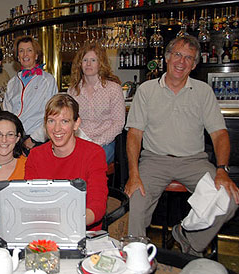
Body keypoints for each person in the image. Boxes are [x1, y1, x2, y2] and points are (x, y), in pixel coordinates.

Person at [125, 35, 239, 256]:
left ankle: (188, 239)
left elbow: (219, 134)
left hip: (194, 161)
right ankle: (135, 256)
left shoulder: (203, 91)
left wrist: (222, 170)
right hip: (154, 159)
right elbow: (134, 135)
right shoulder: (147, 90)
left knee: (229, 199)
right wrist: (133, 173)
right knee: (135, 199)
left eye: (189, 58)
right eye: (177, 54)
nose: (181, 61)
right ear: (167, 58)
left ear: (194, 65)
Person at [25, 93, 108, 230]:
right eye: (51, 121)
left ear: (76, 124)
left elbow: (97, 205)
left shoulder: (94, 154)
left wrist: (65, 221)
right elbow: (31, 201)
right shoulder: (35, 155)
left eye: (64, 121)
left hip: (83, 230)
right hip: (45, 230)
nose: (57, 129)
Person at [68, 42, 125, 164]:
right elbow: (69, 121)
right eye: (85, 60)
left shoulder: (113, 88)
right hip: (79, 140)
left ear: (100, 63)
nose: (88, 64)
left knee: (90, 163)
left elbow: (118, 123)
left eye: (93, 60)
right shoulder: (73, 91)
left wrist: (97, 142)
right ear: (80, 64)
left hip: (105, 143)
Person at [3, 35, 58, 153]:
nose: (25, 54)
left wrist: (34, 139)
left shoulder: (47, 80)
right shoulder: (12, 82)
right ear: (18, 56)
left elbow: (52, 114)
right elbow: (7, 112)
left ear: (36, 55)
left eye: (29, 50)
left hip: (37, 139)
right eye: (21, 51)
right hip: (15, 138)